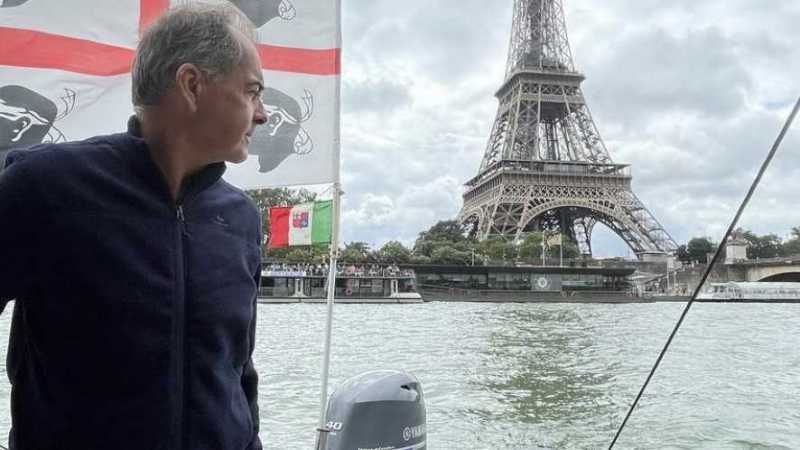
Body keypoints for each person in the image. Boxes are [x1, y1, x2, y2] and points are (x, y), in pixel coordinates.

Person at [0, 4, 267, 449]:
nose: (262, 114)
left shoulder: (241, 218)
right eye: (252, 91)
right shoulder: (44, 188)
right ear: (192, 84)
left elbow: (239, 372)